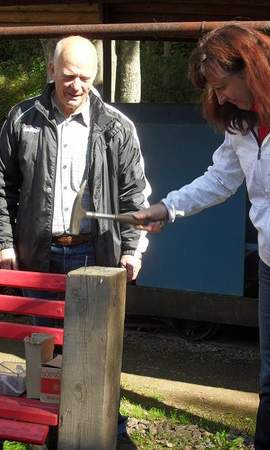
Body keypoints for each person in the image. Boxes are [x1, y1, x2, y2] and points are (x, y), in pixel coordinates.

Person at [133, 24, 270, 450]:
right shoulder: (240, 122)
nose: (220, 97)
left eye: (223, 86)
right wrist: (167, 208)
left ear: (254, 69)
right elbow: (221, 179)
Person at [0, 35, 150, 438]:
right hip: (38, 255)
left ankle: (109, 434)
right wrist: (4, 242)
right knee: (43, 351)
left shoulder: (116, 127)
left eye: (85, 77)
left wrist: (132, 249)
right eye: (68, 75)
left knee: (95, 355)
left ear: (95, 76)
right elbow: (1, 184)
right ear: (52, 70)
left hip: (95, 257)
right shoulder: (22, 119)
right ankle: (47, 434)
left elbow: (135, 195)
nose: (76, 85)